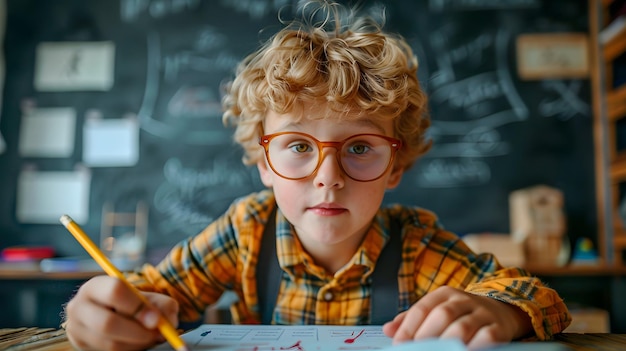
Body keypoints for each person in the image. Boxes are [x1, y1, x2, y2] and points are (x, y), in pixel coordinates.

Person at [63, 1, 572, 350]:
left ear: (394, 166)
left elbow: (539, 298)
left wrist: (504, 313)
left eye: (360, 148)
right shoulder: (247, 231)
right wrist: (104, 313)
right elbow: (146, 292)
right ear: (264, 163)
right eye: (299, 146)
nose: (328, 178)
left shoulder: (415, 245)